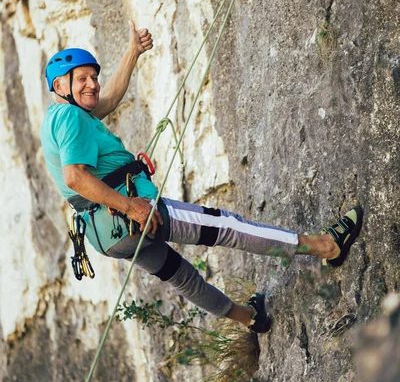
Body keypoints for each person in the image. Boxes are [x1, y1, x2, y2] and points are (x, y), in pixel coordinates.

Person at [40, 21, 363, 333]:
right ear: (59, 86)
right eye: (81, 78)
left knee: (181, 278)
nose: (92, 84)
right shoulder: (71, 116)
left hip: (109, 236)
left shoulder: (60, 117)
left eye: (94, 76)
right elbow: (75, 177)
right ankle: (326, 247)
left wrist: (133, 52)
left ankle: (250, 318)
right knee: (228, 227)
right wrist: (131, 207)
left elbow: (108, 100)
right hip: (133, 214)